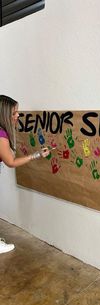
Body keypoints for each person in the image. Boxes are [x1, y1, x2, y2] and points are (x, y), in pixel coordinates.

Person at [0, 95, 50, 254]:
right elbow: (11, 162)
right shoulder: (1, 135)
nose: (18, 116)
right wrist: (36, 155)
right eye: (14, 113)